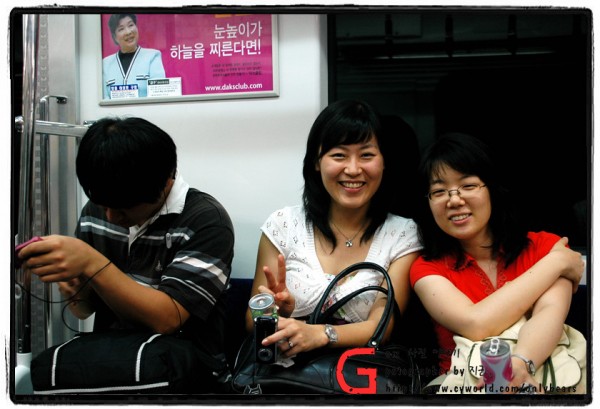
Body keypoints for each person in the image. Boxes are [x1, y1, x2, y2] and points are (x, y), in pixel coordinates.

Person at [18, 116, 235, 392]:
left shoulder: (206, 220)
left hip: (185, 373)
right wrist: (74, 286)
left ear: (165, 183)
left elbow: (168, 319)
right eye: (103, 205)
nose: (110, 217)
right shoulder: (99, 209)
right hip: (113, 365)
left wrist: (91, 262)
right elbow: (83, 310)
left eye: (123, 209)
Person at [409, 132, 585, 393]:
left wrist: (520, 363)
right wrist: (555, 264)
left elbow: (550, 312)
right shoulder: (426, 268)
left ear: (492, 188)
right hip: (463, 388)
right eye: (439, 191)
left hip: (544, 380)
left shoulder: (544, 247)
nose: (454, 200)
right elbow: (476, 324)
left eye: (468, 186)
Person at [245, 99, 422, 357]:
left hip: (360, 374)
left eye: (366, 155)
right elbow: (251, 323)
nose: (353, 169)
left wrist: (322, 334)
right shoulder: (283, 225)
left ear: (384, 162)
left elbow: (382, 326)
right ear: (316, 162)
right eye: (339, 155)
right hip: (285, 373)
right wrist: (278, 314)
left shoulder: (403, 235)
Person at [102, 14, 166, 99]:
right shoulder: (105, 64)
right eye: (121, 29)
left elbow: (159, 94)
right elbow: (104, 98)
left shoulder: (152, 56)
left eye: (131, 25)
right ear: (115, 37)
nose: (128, 32)